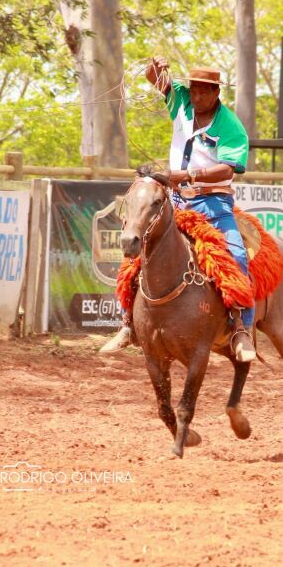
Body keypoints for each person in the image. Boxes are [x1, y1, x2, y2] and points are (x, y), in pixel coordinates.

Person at [100, 56, 256, 362]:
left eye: (202, 92)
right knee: (137, 247)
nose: (195, 96)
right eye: (193, 90)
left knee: (236, 256)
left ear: (215, 93)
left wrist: (187, 176)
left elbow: (228, 169)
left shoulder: (230, 126)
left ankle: (241, 329)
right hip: (177, 201)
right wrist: (155, 65)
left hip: (213, 204)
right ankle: (127, 324)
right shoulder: (182, 102)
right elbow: (152, 77)